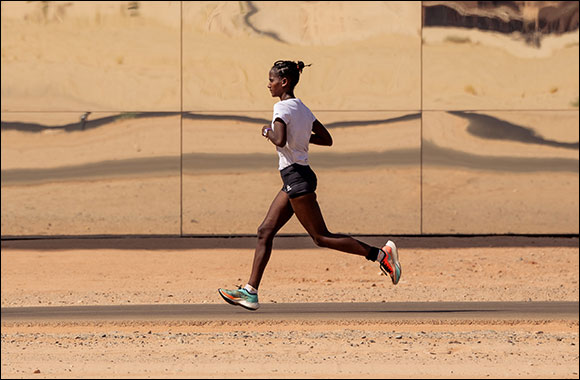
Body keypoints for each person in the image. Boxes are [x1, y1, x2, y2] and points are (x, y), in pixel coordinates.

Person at [218, 60, 401, 310]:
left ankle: (381, 256)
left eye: (271, 80)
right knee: (265, 231)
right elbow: (327, 139)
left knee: (321, 237)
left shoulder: (281, 107)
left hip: (297, 179)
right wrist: (301, 138)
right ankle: (250, 292)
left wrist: (266, 131)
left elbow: (280, 140)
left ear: (284, 82)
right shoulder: (303, 108)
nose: (268, 84)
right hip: (296, 177)